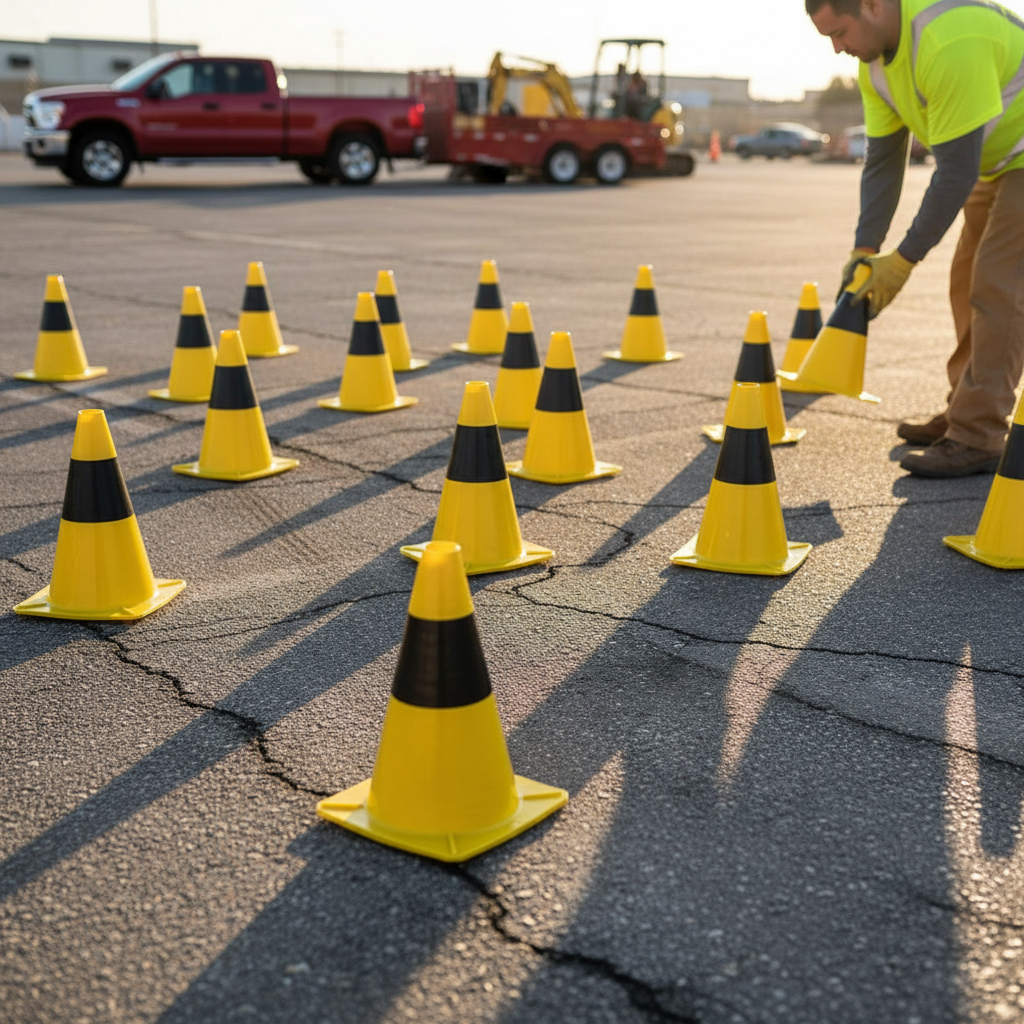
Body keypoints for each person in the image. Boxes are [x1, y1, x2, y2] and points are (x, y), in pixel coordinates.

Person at [807, 0, 1024, 477]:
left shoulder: (948, 40)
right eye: (829, 39)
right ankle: (967, 408)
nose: (838, 49)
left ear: (873, 6)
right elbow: (884, 160)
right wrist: (865, 250)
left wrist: (902, 262)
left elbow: (955, 172)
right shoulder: (875, 68)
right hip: (999, 158)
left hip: (1012, 157)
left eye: (840, 33)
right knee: (967, 283)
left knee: (998, 285)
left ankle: (978, 433)